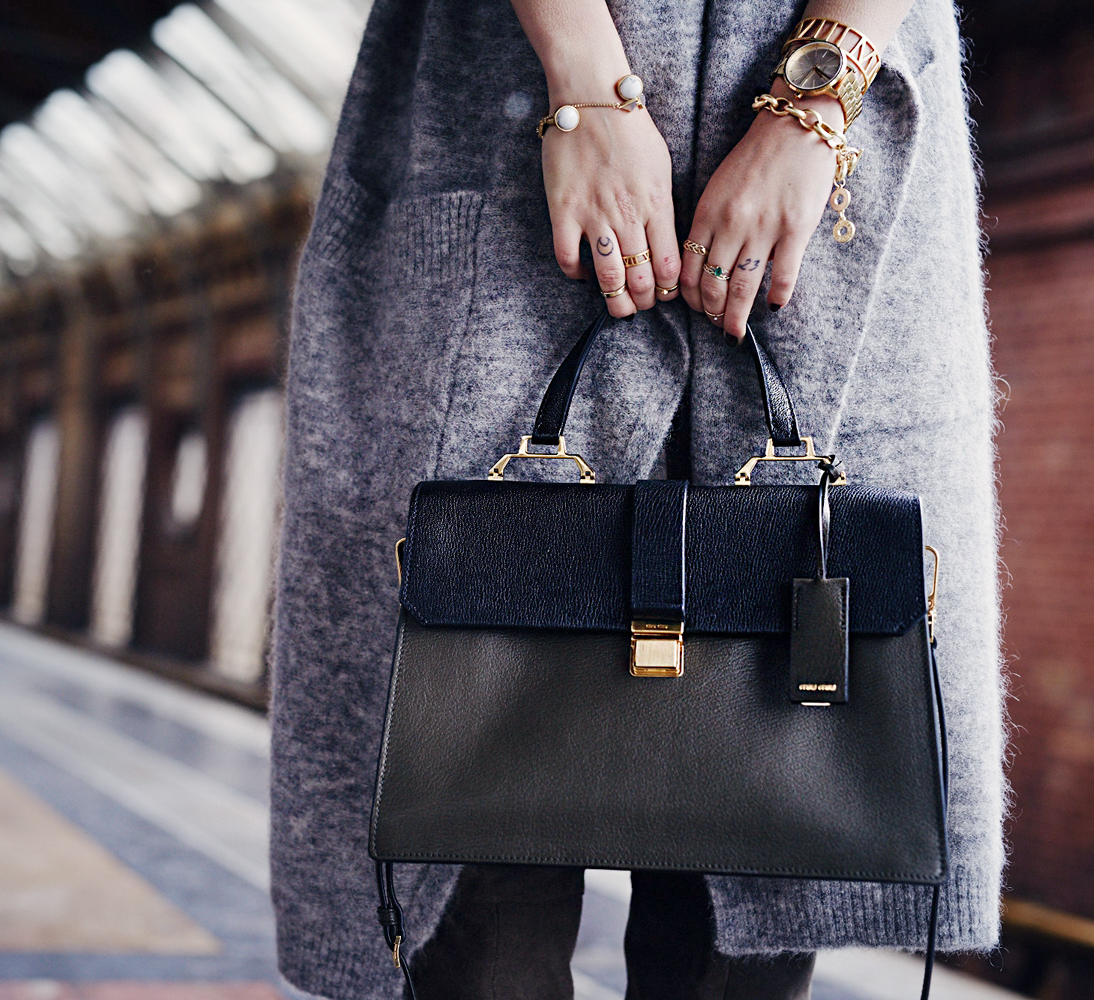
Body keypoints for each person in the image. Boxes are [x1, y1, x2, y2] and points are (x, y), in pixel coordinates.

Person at [270, 0, 1004, 997]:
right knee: (464, 829)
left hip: (834, 147)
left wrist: (815, 100)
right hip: (514, 109)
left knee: (769, 826)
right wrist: (582, 82)